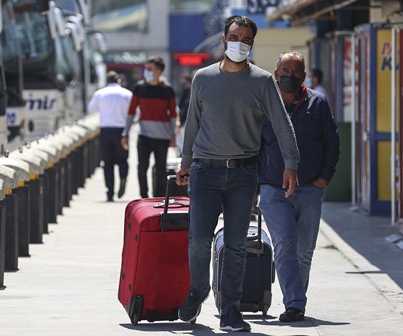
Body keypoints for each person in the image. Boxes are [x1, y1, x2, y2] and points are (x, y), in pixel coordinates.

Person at [174, 15, 300, 332]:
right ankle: (198, 290)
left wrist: (291, 163)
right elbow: (193, 123)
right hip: (204, 171)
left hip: (243, 173)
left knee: (235, 245)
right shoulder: (202, 78)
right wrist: (186, 161)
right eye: (234, 37)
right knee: (199, 241)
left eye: (246, 39)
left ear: (252, 44)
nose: (239, 43)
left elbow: (282, 124)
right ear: (223, 39)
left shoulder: (261, 81)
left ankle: (230, 310)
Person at [259, 51, 340, 323]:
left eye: (295, 72)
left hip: (309, 188)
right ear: (275, 73)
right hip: (273, 188)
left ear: (304, 76)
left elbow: (332, 143)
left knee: (304, 249)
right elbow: (253, 146)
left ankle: (296, 300)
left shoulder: (317, 103)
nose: (289, 76)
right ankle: (294, 302)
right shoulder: (264, 104)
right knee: (284, 243)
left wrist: (322, 180)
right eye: (285, 70)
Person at [121, 56, 177, 198]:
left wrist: (173, 136)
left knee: (161, 171)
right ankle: (144, 197)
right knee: (142, 168)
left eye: (149, 69)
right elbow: (131, 112)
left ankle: (158, 198)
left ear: (159, 71)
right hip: (144, 136)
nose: (146, 71)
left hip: (162, 137)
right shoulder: (139, 88)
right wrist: (125, 134)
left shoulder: (167, 90)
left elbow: (173, 114)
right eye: (146, 69)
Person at [88, 71, 132, 202]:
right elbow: (135, 112)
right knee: (123, 160)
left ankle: (109, 192)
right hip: (122, 131)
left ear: (106, 80)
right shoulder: (127, 94)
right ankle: (123, 177)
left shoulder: (100, 94)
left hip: (105, 131)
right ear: (118, 80)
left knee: (108, 163)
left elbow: (91, 110)